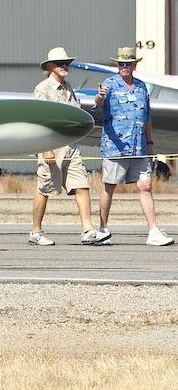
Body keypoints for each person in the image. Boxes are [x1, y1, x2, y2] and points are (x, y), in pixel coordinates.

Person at [29, 47, 109, 246]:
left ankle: (87, 231)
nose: (64, 67)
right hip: (52, 147)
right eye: (60, 64)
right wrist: (46, 148)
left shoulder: (69, 87)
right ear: (50, 67)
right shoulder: (43, 88)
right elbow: (39, 119)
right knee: (45, 188)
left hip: (71, 147)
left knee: (82, 186)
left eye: (66, 63)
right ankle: (36, 232)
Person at [95, 46, 173, 246]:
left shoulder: (141, 87)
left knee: (145, 186)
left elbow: (147, 118)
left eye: (128, 63)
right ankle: (102, 229)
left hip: (139, 147)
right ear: (116, 64)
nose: (124, 67)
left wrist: (150, 143)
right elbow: (98, 103)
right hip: (115, 147)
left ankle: (153, 231)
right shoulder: (108, 84)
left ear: (134, 65)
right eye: (121, 63)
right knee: (109, 187)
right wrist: (100, 95)